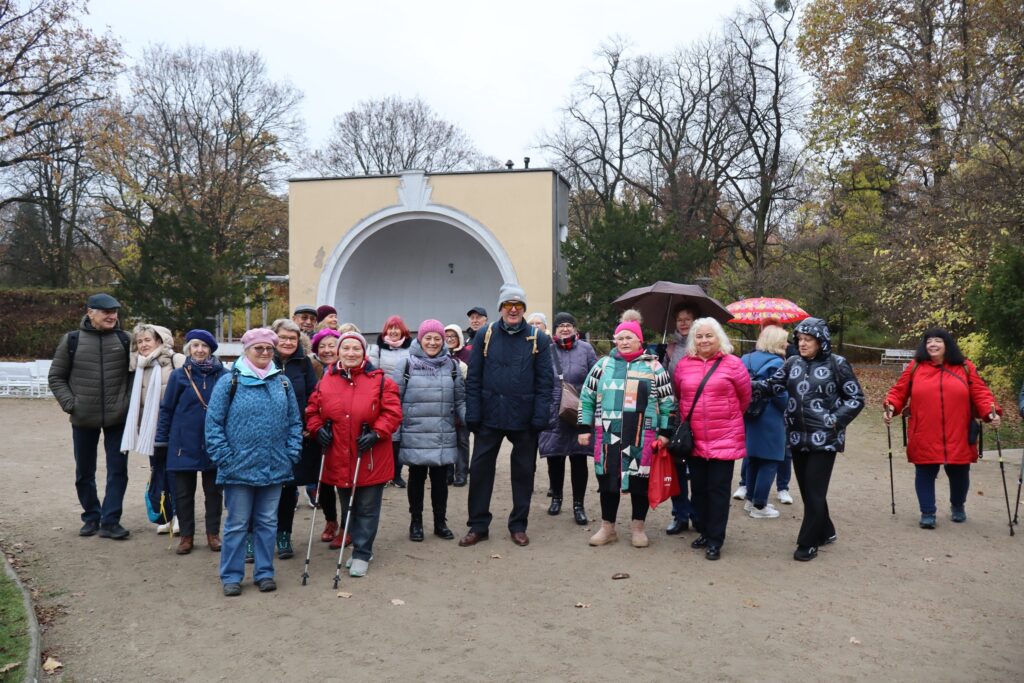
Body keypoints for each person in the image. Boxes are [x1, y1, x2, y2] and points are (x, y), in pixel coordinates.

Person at [757, 317, 865, 561]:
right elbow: (772, 386)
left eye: (809, 340)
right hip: (796, 436)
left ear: (821, 341)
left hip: (824, 438)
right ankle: (826, 530)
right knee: (808, 490)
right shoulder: (792, 362)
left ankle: (808, 542)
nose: (803, 344)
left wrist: (833, 420)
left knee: (814, 491)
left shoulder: (838, 364)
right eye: (800, 339)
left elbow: (856, 398)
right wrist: (745, 384)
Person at [205, 328, 303, 596]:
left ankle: (264, 573)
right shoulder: (229, 382)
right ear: (246, 351)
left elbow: (295, 422)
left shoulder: (281, 382)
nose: (264, 353)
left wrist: (291, 452)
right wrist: (224, 457)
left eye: (269, 348)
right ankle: (232, 576)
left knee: (267, 522)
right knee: (237, 524)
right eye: (258, 348)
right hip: (238, 468)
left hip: (274, 466)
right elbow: (213, 424)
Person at [460, 284, 554, 548]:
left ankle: (518, 525)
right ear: (500, 308)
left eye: (518, 306)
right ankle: (478, 525)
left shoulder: (539, 338)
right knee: (479, 471)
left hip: (523, 417)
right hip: (490, 414)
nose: (513, 310)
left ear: (524, 309)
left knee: (523, 472)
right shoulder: (485, 335)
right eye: (508, 305)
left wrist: (539, 417)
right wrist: (474, 413)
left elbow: (545, 383)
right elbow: (474, 377)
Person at [305, 331, 402, 577]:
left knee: (367, 507)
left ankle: (361, 552)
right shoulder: (325, 381)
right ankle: (359, 545)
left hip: (369, 457)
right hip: (339, 456)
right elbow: (312, 411)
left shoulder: (381, 381)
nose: (350, 353)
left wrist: (377, 432)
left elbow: (392, 413)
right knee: (349, 505)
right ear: (338, 351)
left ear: (364, 352)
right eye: (345, 348)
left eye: (355, 348)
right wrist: (317, 429)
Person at [883, 328, 1002, 528]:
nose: (932, 344)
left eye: (938, 340)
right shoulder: (915, 367)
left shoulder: (965, 367)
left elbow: (981, 393)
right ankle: (927, 512)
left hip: (959, 431)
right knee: (924, 472)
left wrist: (991, 413)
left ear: (947, 344)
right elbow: (899, 391)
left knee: (959, 473)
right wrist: (891, 406)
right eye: (928, 341)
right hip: (924, 432)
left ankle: (958, 505)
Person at [578, 320, 676, 547]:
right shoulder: (603, 365)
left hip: (643, 436)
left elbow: (668, 402)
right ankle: (607, 528)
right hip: (608, 436)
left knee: (639, 482)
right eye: (620, 338)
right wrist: (584, 427)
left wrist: (665, 432)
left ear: (639, 340)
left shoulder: (654, 367)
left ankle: (638, 528)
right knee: (608, 481)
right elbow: (587, 397)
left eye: (629, 337)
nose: (624, 342)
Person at [48, 293, 133, 540]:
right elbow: (56, 377)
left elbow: (134, 376)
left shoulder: (124, 339)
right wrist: (71, 404)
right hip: (83, 418)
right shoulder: (72, 340)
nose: (112, 316)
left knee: (118, 470)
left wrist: (125, 404)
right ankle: (91, 516)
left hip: (118, 418)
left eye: (115, 311)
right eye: (106, 312)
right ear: (90, 312)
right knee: (84, 471)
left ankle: (110, 521)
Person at [674, 317, 751, 560]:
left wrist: (726, 420)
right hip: (694, 439)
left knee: (718, 490)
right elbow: (679, 395)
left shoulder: (733, 365)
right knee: (698, 490)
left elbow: (744, 399)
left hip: (724, 437)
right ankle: (705, 531)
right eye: (699, 336)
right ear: (692, 340)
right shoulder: (684, 365)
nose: (704, 340)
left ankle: (716, 539)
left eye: (709, 335)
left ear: (719, 338)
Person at [392, 320, 466, 541]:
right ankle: (416, 522)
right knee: (416, 478)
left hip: (443, 433)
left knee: (440, 481)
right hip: (415, 431)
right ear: (420, 339)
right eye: (428, 338)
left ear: (443, 341)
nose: (432, 342)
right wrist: (394, 433)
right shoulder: (405, 364)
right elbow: (394, 400)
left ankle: (440, 522)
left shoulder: (452, 366)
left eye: (437, 338)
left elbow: (460, 399)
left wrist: (471, 421)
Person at [156, 329, 227, 554]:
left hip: (214, 442)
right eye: (195, 345)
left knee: (214, 492)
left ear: (210, 350)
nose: (199, 350)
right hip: (182, 442)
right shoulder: (179, 375)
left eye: (204, 346)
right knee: (183, 492)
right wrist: (161, 439)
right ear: (188, 349)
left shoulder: (223, 375)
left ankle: (213, 534)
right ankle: (186, 536)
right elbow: (166, 409)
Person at [121, 323, 185, 535]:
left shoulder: (175, 361)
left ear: (160, 340)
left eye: (148, 340)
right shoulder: (138, 365)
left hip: (174, 428)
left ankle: (179, 515)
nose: (143, 345)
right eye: (139, 341)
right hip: (150, 431)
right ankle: (165, 515)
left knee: (176, 473)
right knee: (158, 473)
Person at [539, 312, 598, 525]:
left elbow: (595, 375)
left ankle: (578, 505)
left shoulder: (586, 349)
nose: (565, 328)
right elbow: (541, 379)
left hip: (580, 407)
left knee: (578, 458)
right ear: (554, 330)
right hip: (554, 409)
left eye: (569, 325)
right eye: (561, 325)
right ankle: (556, 498)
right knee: (555, 457)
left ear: (575, 329)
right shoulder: (548, 350)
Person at [268, 319, 320, 561]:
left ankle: (284, 534)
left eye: (293, 338)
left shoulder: (304, 364)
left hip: (294, 435)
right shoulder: (262, 357)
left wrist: (309, 424)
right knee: (260, 487)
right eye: (283, 337)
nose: (288, 342)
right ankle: (253, 537)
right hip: (265, 436)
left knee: (289, 488)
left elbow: (313, 396)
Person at [739, 325, 789, 519]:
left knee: (753, 458)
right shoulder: (777, 363)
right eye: (784, 339)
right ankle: (760, 505)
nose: (787, 343)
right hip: (770, 416)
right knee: (771, 460)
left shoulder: (745, 359)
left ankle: (750, 499)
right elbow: (780, 394)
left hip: (749, 414)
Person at [659, 304, 699, 536]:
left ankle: (698, 513)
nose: (683, 323)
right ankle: (680, 514)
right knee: (676, 468)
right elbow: (664, 382)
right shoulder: (671, 349)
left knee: (698, 469)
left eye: (688, 319)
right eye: (680, 320)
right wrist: (659, 360)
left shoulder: (704, 346)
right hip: (676, 415)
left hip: (699, 414)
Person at [369, 315, 413, 488]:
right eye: (390, 328)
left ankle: (396, 473)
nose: (394, 331)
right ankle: (383, 472)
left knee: (401, 438)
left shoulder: (411, 349)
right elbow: (373, 373)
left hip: (406, 396)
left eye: (397, 328)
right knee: (387, 435)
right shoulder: (377, 349)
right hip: (384, 397)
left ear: (403, 330)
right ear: (385, 330)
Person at [308, 327, 341, 540]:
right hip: (321, 432)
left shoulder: (347, 367)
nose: (328, 350)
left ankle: (349, 524)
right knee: (325, 481)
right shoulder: (311, 368)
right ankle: (331, 520)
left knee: (347, 482)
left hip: (345, 431)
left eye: (332, 345)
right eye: (323, 346)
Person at [444, 324, 471, 486]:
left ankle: (461, 473)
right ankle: (447, 473)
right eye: (446, 336)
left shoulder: (467, 355)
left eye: (453, 336)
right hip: (444, 406)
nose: (449, 339)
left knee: (462, 441)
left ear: (459, 338)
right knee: (447, 440)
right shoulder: (438, 356)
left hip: (462, 404)